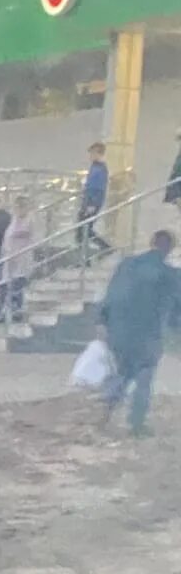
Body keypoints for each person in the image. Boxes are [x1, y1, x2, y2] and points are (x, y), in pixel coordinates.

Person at [97, 230, 180, 437]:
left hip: (118, 330)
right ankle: (136, 424)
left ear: (151, 242)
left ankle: (107, 410)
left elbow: (111, 294)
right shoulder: (170, 274)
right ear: (170, 249)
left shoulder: (127, 265)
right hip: (147, 334)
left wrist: (102, 321)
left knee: (123, 370)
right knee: (144, 375)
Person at [0, 196, 39, 324]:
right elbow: (8, 237)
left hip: (22, 257)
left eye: (22, 207)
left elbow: (26, 233)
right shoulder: (13, 221)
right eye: (17, 207)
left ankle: (17, 311)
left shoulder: (29, 220)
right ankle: (4, 311)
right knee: (5, 286)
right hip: (9, 258)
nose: (19, 210)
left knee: (17, 285)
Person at [79, 142, 113, 264]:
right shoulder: (95, 167)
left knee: (84, 230)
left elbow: (98, 188)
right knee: (83, 230)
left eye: (93, 153)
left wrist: (92, 204)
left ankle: (88, 257)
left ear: (99, 153)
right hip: (88, 202)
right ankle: (85, 258)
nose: (90, 155)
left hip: (91, 203)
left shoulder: (100, 169)